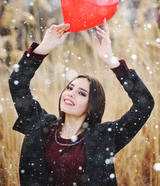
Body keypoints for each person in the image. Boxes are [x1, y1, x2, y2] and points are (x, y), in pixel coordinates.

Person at [9, 20, 154, 186]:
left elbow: (144, 105)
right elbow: (17, 83)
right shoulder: (40, 126)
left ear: (92, 104)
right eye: (70, 88)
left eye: (81, 93)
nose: (70, 94)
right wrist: (43, 49)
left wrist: (112, 61)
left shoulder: (104, 136)